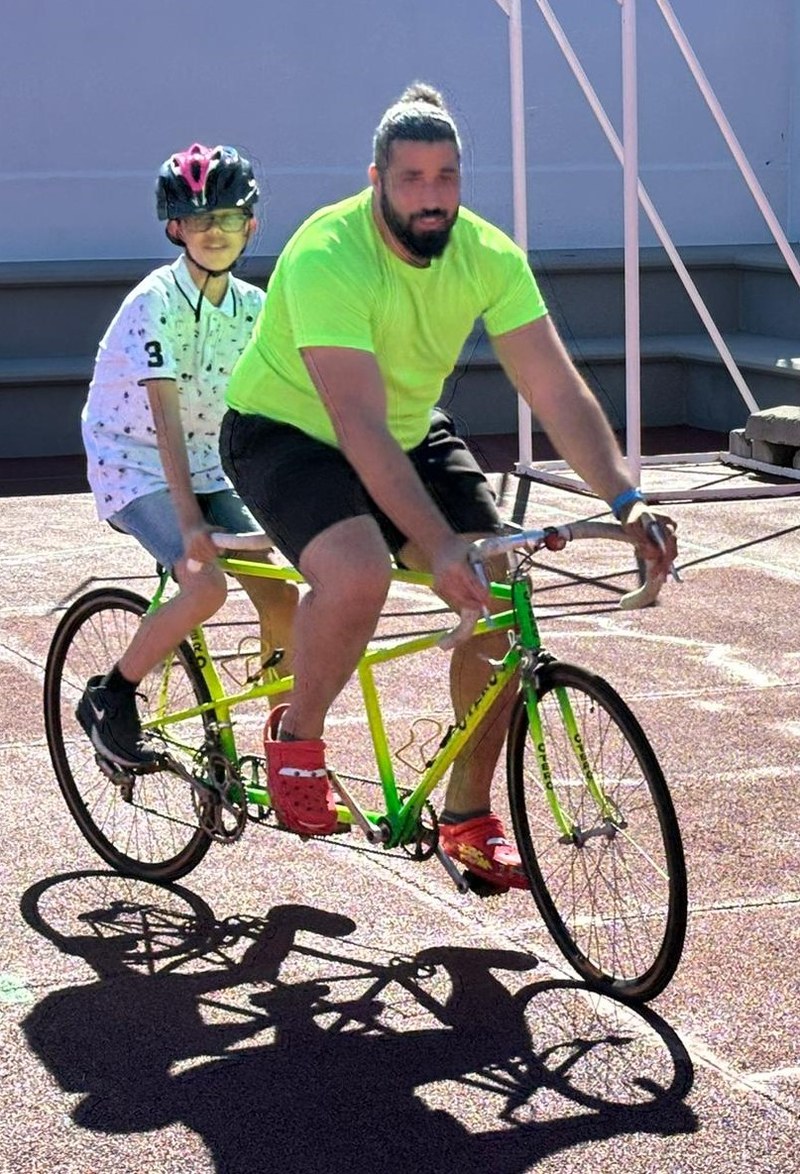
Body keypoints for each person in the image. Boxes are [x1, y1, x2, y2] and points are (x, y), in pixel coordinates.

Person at [219, 84, 678, 889]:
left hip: (405, 431)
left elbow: (556, 390)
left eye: (447, 177)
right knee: (357, 573)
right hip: (287, 431)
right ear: (377, 180)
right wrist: (434, 547)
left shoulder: (488, 256)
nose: (432, 197)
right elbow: (355, 424)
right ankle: (296, 738)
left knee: (494, 585)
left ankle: (467, 818)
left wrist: (625, 500)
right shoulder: (329, 253)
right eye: (412, 179)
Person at [78, 143, 297, 770]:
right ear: (176, 228)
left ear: (250, 224)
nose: (214, 231)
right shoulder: (155, 301)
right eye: (199, 220)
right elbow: (165, 421)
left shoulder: (254, 308)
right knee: (205, 585)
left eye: (227, 217)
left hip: (211, 461)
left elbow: (285, 407)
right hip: (135, 460)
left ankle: (288, 755)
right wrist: (191, 522)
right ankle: (111, 695)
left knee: (284, 596)